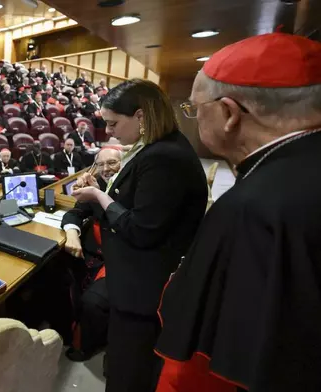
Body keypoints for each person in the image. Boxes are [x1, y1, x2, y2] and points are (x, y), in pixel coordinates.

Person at [155, 33, 321, 392]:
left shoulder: (251, 210)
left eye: (195, 108)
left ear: (229, 113)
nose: (194, 118)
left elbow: (204, 367)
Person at [70, 79, 207, 392]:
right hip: (135, 279)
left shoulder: (164, 157)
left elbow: (140, 229)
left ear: (142, 117)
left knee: (129, 372)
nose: (110, 132)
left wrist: (98, 196)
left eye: (114, 123)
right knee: (126, 363)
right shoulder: (157, 148)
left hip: (144, 287)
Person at [61, 147, 123, 362]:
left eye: (113, 163)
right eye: (102, 164)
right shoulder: (97, 187)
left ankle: (87, 344)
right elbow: (75, 212)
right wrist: (71, 233)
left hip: (118, 258)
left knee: (93, 302)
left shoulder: (128, 188)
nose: (107, 169)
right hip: (91, 254)